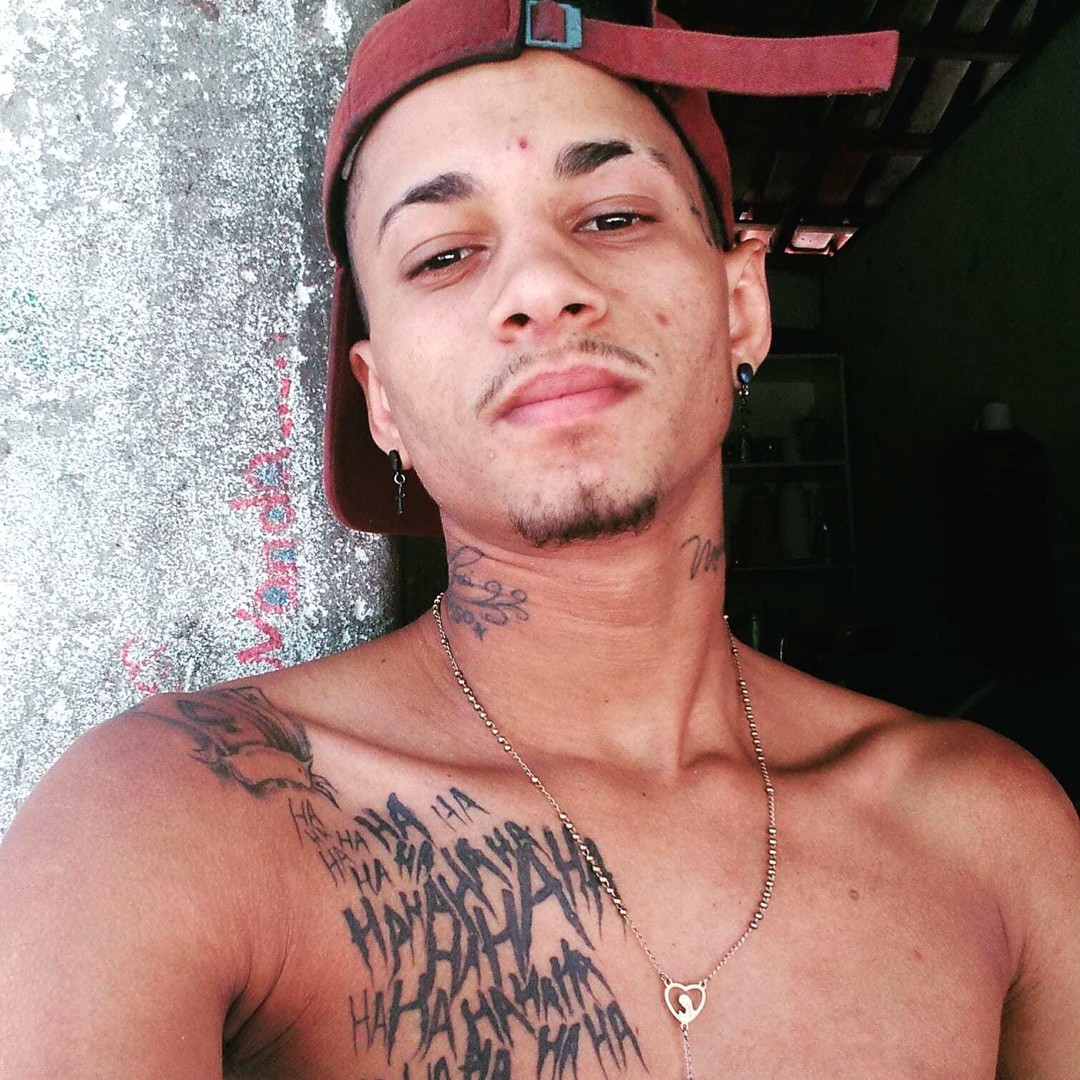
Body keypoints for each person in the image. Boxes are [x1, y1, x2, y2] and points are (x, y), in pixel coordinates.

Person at [2, 2, 1078, 1077]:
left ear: (741, 305)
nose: (541, 287)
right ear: (381, 400)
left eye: (611, 217)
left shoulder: (990, 836)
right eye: (443, 254)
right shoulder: (178, 818)